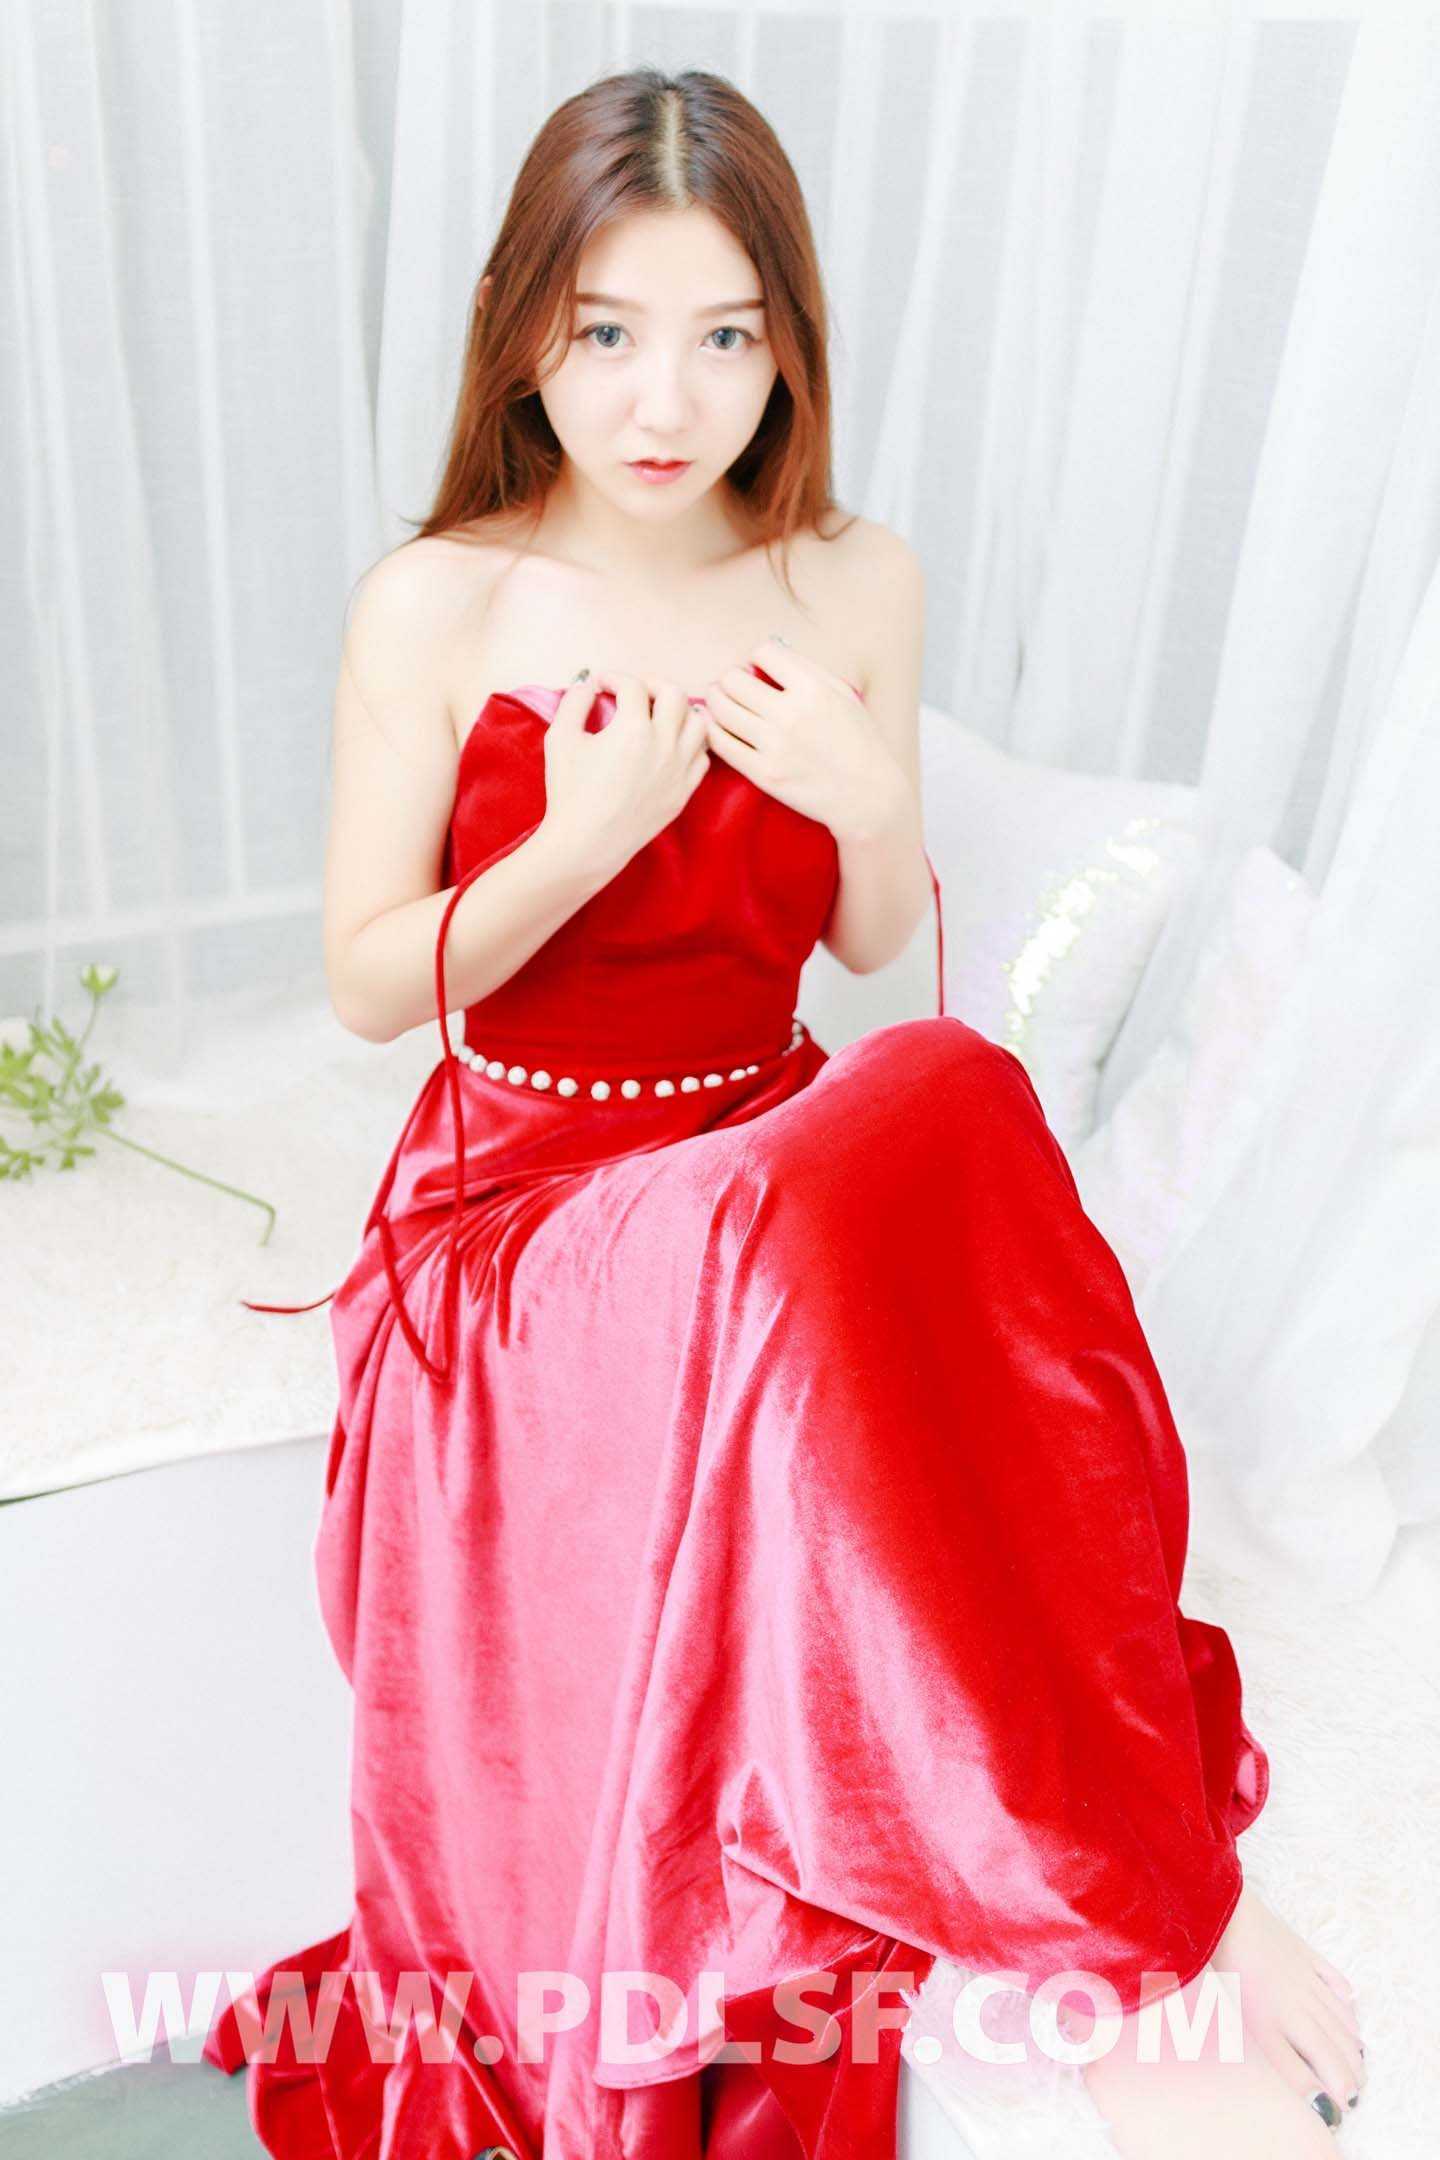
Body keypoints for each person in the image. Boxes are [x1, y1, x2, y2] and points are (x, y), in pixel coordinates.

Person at [203, 66, 1365, 2160]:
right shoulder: (444, 600)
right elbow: (374, 981)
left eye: (726, 336)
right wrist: (579, 841)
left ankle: (1153, 1899)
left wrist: (863, 801)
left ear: (789, 347)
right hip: (523, 1227)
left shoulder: (849, 578)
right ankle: (1148, 1927)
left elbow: (864, 938)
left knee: (945, 1091)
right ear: (526, 335)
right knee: (823, 1206)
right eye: (610, 332)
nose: (668, 400)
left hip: (762, 1162)